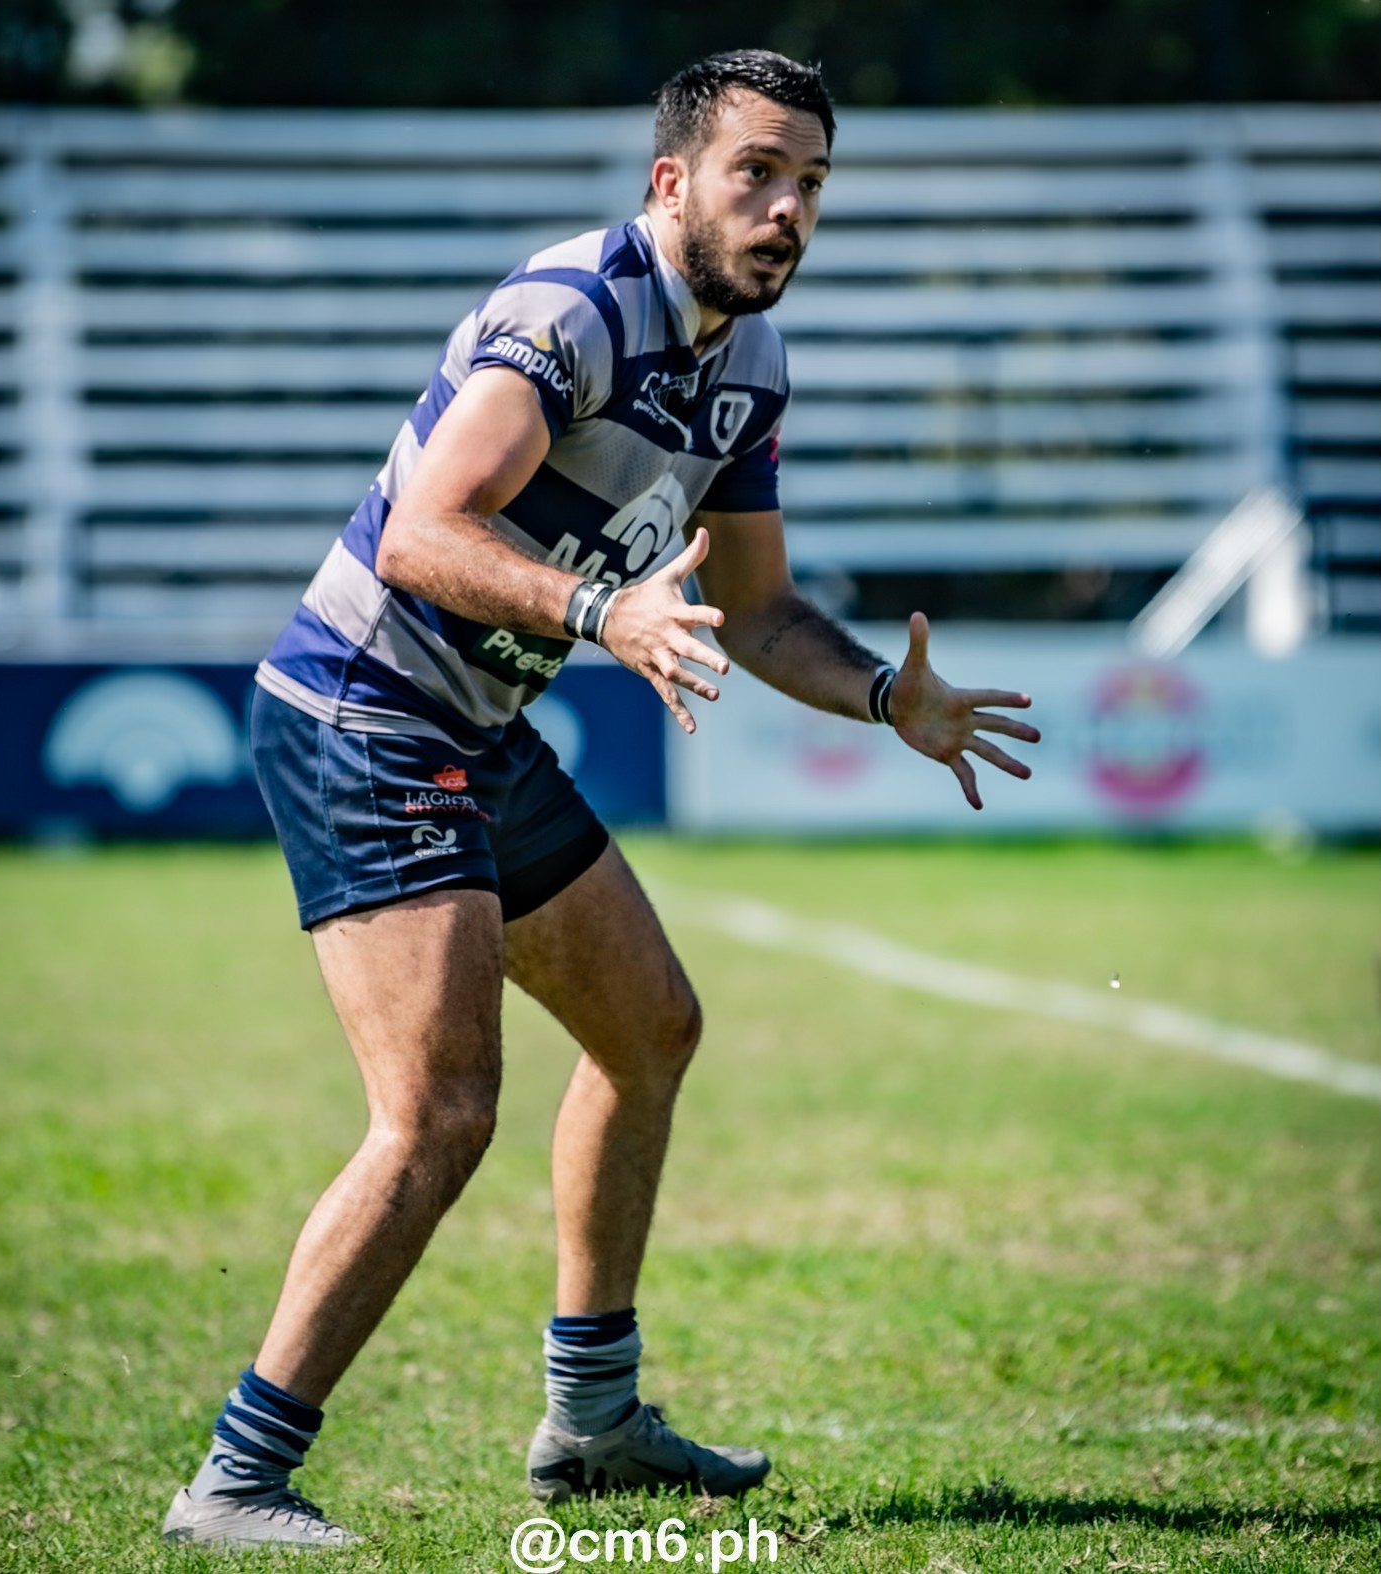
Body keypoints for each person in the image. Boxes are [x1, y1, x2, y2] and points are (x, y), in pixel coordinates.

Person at [161, 48, 1039, 1549]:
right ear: (671, 180)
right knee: (439, 1114)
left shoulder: (752, 365)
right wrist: (598, 609)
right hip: (363, 712)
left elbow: (759, 613)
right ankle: (234, 1481)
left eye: (811, 182)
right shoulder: (573, 309)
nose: (786, 209)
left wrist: (884, 697)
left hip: (475, 726)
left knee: (650, 1028)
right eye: (756, 172)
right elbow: (423, 534)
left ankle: (591, 1425)